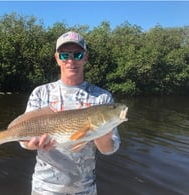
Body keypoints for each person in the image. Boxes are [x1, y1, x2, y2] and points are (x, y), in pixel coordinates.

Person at [19, 31, 120, 195]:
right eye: (65, 55)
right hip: (44, 188)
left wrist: (103, 137)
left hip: (85, 189)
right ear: (57, 59)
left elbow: (109, 149)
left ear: (85, 58)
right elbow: (23, 141)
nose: (71, 60)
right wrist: (30, 145)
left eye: (78, 54)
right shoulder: (40, 93)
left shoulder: (102, 98)